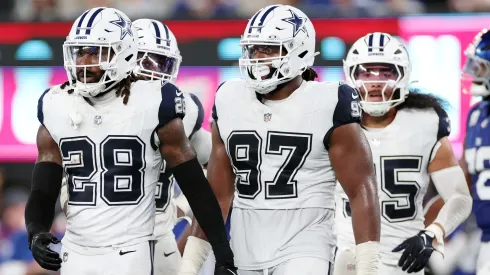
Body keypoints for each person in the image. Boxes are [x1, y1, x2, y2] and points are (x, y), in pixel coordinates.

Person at [24, 7, 235, 275]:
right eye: (80, 52)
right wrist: (35, 229)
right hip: (77, 245)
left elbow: (202, 182)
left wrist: (215, 245)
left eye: (96, 52)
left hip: (136, 244)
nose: (85, 62)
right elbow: (43, 186)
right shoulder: (57, 104)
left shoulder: (157, 103)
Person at [179, 4, 381, 275]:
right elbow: (217, 195)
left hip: (306, 246)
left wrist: (368, 266)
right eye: (254, 49)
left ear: (300, 51)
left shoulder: (329, 102)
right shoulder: (229, 98)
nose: (258, 57)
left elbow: (361, 190)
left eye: (270, 49)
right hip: (245, 247)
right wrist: (190, 265)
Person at [334, 32, 472, 275]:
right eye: (366, 73)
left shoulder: (425, 123)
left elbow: (459, 198)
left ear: (403, 75)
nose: (375, 82)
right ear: (351, 75)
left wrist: (433, 233)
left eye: (385, 73)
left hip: (403, 261)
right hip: (346, 259)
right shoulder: (330, 121)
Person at [133, 18, 212, 275]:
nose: (154, 70)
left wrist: (183, 206)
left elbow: (221, 164)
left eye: (162, 62)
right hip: (100, 241)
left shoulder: (177, 109)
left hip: (158, 240)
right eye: (145, 61)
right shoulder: (89, 110)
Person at [460, 28, 490, 275]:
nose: (474, 73)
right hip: (485, 240)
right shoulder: (476, 114)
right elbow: (460, 185)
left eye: (482, 66)